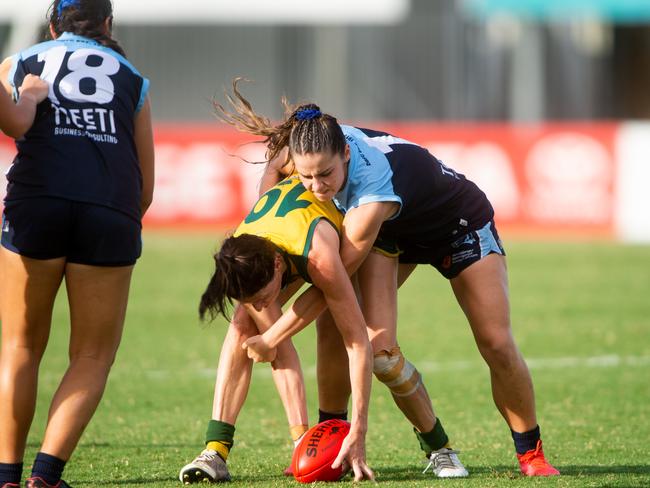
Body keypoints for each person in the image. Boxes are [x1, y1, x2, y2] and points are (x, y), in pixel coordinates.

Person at [222, 81, 560, 477]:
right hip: (392, 234)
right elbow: (274, 173)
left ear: (345, 154)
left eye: (327, 175)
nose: (317, 189)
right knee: (373, 347)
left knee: (496, 341)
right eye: (308, 177)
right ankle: (340, 443)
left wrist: (272, 337)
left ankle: (531, 454)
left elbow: (334, 279)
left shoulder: (370, 197)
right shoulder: (307, 146)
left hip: (457, 224)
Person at [0, 1, 154, 487]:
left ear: (51, 26)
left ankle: (6, 475)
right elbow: (146, 187)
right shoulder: (133, 77)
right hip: (110, 209)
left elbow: (14, 121)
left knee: (20, 346)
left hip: (36, 202)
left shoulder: (23, 60)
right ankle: (45, 477)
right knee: (91, 356)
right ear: (108, 26)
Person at [179, 175, 374, 483]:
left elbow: (355, 340)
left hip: (353, 237)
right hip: (291, 243)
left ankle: (436, 444)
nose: (260, 306)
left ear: (278, 265)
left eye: (260, 297)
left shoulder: (316, 254)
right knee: (242, 323)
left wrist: (317, 440)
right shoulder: (242, 251)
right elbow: (276, 345)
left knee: (366, 339)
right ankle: (215, 451)